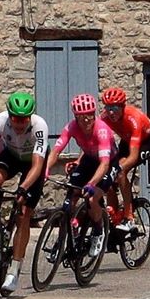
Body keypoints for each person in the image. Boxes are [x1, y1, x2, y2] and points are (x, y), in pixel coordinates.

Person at [42, 94, 117, 260]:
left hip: (108, 163)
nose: (86, 120)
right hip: (89, 159)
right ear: (76, 117)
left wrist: (92, 183)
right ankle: (64, 239)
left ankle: (98, 231)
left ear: (94, 113)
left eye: (89, 115)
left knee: (91, 198)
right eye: (82, 117)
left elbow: (104, 164)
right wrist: (45, 169)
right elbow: (56, 151)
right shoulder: (71, 127)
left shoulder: (102, 130)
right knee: (70, 197)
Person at [0, 91, 49, 296]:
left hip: (32, 163)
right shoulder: (0, 121)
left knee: (23, 214)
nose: (20, 123)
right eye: (15, 119)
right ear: (9, 115)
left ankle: (14, 269)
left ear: (30, 117)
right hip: (12, 156)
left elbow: (37, 166)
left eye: (24, 119)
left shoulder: (39, 126)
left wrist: (23, 188)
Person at [99, 87, 150, 238]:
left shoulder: (134, 118)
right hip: (127, 139)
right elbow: (94, 138)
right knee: (107, 175)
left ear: (123, 107)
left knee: (120, 171)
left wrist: (118, 168)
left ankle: (129, 217)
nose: (111, 112)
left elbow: (132, 157)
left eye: (115, 108)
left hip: (146, 141)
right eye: (108, 108)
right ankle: (113, 215)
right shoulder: (104, 117)